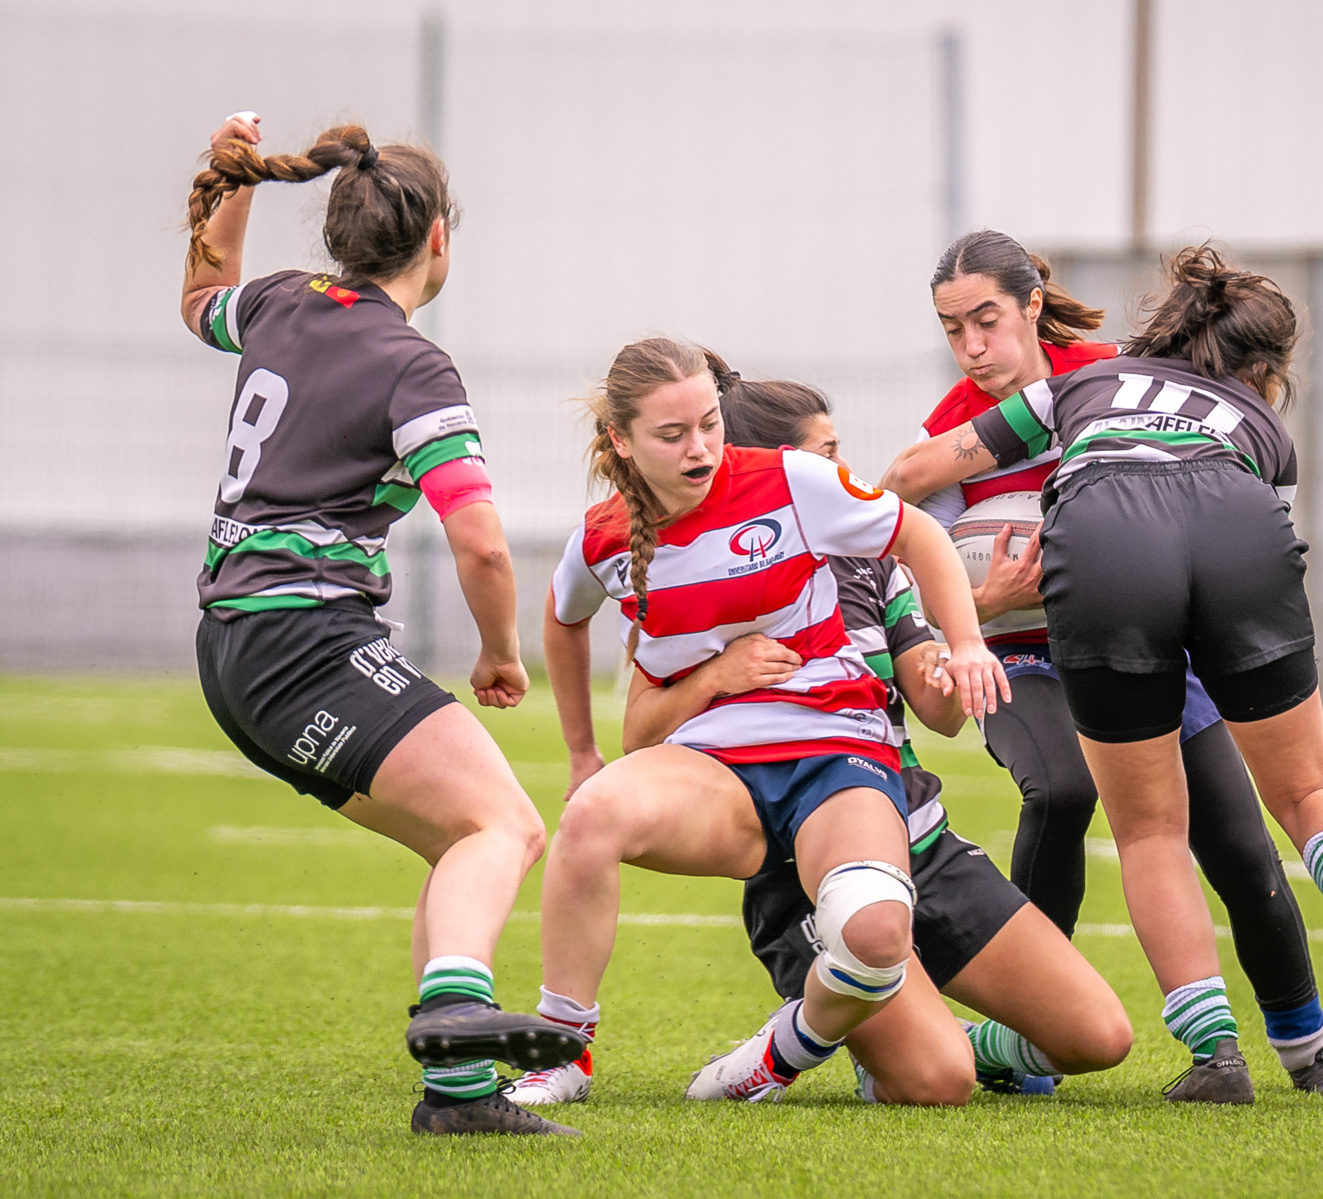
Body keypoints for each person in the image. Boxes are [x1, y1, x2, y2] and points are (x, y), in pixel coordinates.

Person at [882, 242, 1323, 1088]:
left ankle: (1240, 1049)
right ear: (1264, 367)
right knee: (1275, 791)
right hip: (1108, 612)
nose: (972, 346)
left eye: (986, 320)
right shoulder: (1251, 419)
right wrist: (985, 600)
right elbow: (1258, 526)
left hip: (1114, 588)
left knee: (1186, 833)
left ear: (1032, 304)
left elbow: (905, 483)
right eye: (954, 329)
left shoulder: (1092, 377)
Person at [513, 378, 1132, 1106]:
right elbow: (639, 728)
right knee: (935, 1081)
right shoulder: (671, 557)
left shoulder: (875, 564)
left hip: (908, 823)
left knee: (1099, 1037)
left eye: (706, 426)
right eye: (828, 453)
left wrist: (962, 643)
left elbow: (938, 711)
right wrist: (711, 678)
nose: (848, 472)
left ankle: (895, 1031)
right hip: (792, 837)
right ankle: (832, 1039)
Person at [179, 113, 586, 1136]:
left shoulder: (277, 302)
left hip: (231, 647)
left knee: (463, 839)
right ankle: (456, 1020)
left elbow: (197, 298)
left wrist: (233, 180)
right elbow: (480, 543)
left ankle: (460, 1091)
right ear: (438, 238)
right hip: (306, 642)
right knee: (505, 825)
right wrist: (500, 652)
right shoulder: (414, 367)